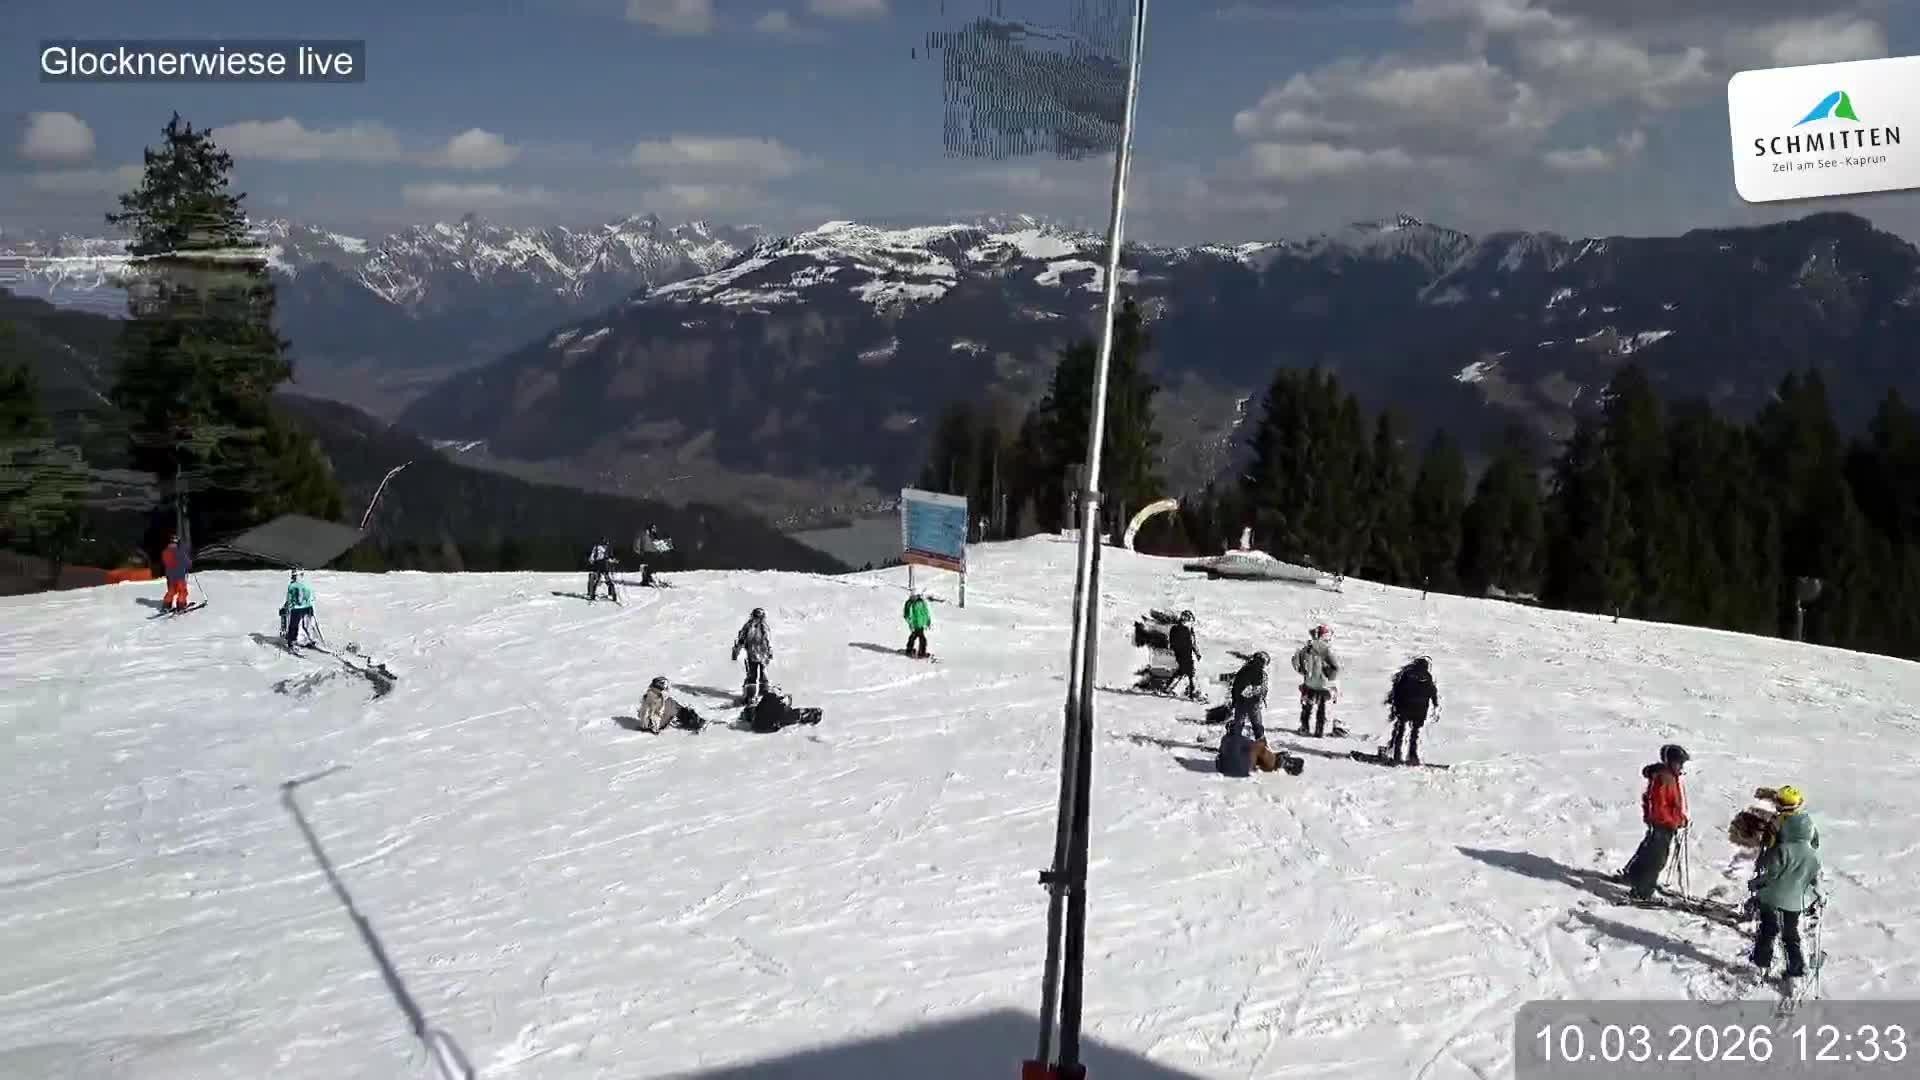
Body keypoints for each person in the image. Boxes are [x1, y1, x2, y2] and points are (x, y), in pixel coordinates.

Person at [1748, 785, 1821, 980]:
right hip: (1797, 891)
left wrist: (1757, 882)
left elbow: (1769, 858)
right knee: (1790, 931)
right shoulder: (1809, 831)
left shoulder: (1777, 827)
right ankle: (1796, 967)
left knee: (1769, 926)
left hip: (1775, 886)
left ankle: (1760, 962)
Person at [1621, 743, 1690, 902]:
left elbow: (1671, 804)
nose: (1681, 767)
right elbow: (1659, 806)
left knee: (1648, 852)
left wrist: (1680, 818)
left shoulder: (1668, 776)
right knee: (1656, 859)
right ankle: (1642, 892)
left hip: (1663, 823)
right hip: (1662, 824)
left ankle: (1634, 877)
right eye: (1679, 763)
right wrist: (1674, 820)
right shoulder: (1664, 778)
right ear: (1670, 762)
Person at [1385, 656, 1440, 765]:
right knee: (1415, 734)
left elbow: (1398, 690)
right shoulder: (1428, 677)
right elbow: (1432, 692)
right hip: (1420, 710)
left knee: (1401, 732)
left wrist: (1394, 704)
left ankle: (1397, 756)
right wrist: (1435, 704)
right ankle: (1413, 757)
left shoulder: (1407, 674)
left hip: (1405, 707)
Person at [1292, 624, 1340, 737]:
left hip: (1309, 683)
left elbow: (1298, 665)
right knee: (1322, 708)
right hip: (1323, 684)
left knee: (1307, 706)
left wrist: (1305, 675)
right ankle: (1319, 731)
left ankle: (1304, 728)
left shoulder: (1306, 648)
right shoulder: (1326, 649)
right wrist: (1331, 679)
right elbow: (1336, 667)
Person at [638, 676, 705, 734]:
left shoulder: (649, 695)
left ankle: (689, 718)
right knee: (675, 707)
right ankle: (693, 722)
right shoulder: (660, 698)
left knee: (672, 705)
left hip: (647, 724)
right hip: (655, 725)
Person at [732, 608, 773, 701]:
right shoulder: (748, 627)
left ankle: (764, 694)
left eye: (759, 617)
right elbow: (741, 638)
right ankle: (750, 695)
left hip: (763, 654)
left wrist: (769, 651)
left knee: (763, 674)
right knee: (752, 674)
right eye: (756, 617)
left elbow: (768, 640)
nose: (757, 619)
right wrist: (736, 650)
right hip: (751, 654)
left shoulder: (764, 627)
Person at [1230, 650, 1270, 741]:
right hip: (1246, 702)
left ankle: (1257, 743)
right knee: (1250, 724)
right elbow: (1238, 687)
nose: (1264, 665)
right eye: (1263, 663)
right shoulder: (1248, 672)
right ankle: (1238, 742)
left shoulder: (1256, 672)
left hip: (1250, 702)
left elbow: (1262, 688)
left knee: (1252, 724)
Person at [1168, 610, 1203, 700]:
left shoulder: (1187, 629)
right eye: (1189, 619)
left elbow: (1192, 643)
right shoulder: (1179, 629)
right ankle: (1193, 694)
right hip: (1183, 654)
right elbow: (1173, 643)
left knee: (1182, 671)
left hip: (1185, 654)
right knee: (1190, 673)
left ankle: (1167, 688)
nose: (1190, 622)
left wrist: (1197, 652)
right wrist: (1196, 652)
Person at [281, 570, 317, 648]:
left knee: (295, 624)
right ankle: (310, 638)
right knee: (307, 624)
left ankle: (293, 640)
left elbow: (289, 598)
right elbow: (312, 595)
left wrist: (287, 606)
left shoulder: (292, 585)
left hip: (297, 608)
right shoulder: (307, 583)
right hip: (307, 607)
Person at [160, 532, 191, 613]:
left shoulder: (165, 551)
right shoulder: (180, 551)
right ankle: (181, 605)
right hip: (179, 575)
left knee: (171, 591)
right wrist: (189, 565)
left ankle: (166, 605)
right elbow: (187, 562)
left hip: (170, 576)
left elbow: (166, 562)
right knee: (182, 591)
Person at [903, 590, 932, 658]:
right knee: (922, 639)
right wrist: (910, 623)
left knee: (913, 637)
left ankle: (910, 649)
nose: (915, 597)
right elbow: (907, 615)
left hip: (920, 624)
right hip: (915, 624)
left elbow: (925, 612)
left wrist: (928, 621)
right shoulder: (910, 604)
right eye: (913, 596)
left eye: (916, 596)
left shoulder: (921, 602)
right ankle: (921, 653)